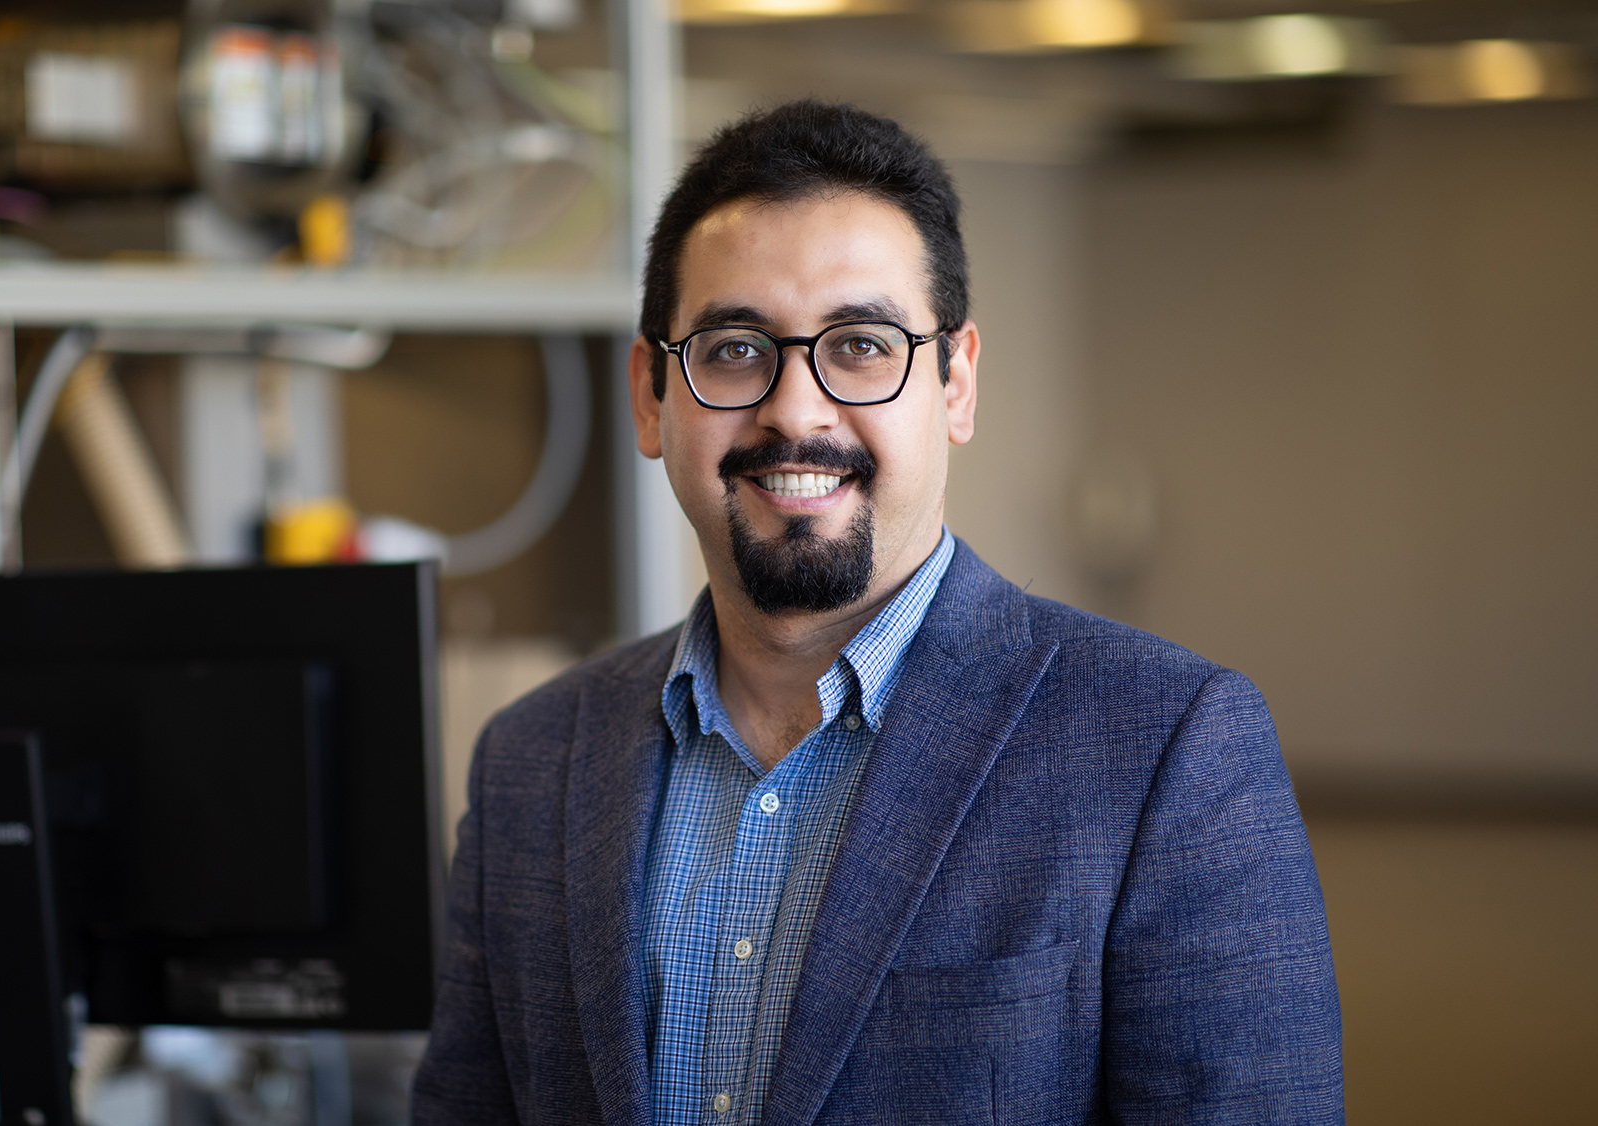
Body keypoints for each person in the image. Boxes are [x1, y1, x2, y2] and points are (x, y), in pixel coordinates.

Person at [412, 100, 1343, 1125]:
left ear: (953, 383)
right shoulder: (530, 761)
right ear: (649, 394)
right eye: (732, 348)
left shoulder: (1165, 747)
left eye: (858, 345)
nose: (795, 411)